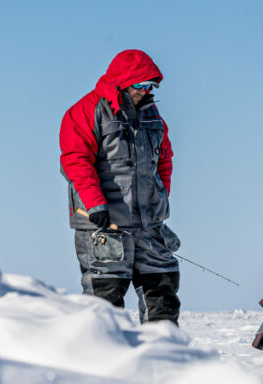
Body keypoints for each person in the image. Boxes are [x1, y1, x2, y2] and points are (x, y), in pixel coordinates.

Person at [59, 49, 181, 325]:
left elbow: (164, 161)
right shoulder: (85, 111)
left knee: (162, 289)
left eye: (150, 85)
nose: (145, 91)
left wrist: (158, 201)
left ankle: (162, 359)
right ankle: (102, 362)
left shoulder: (153, 116)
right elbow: (75, 161)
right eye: (139, 85)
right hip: (104, 224)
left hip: (149, 225)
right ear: (122, 82)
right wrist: (95, 204)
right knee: (105, 297)